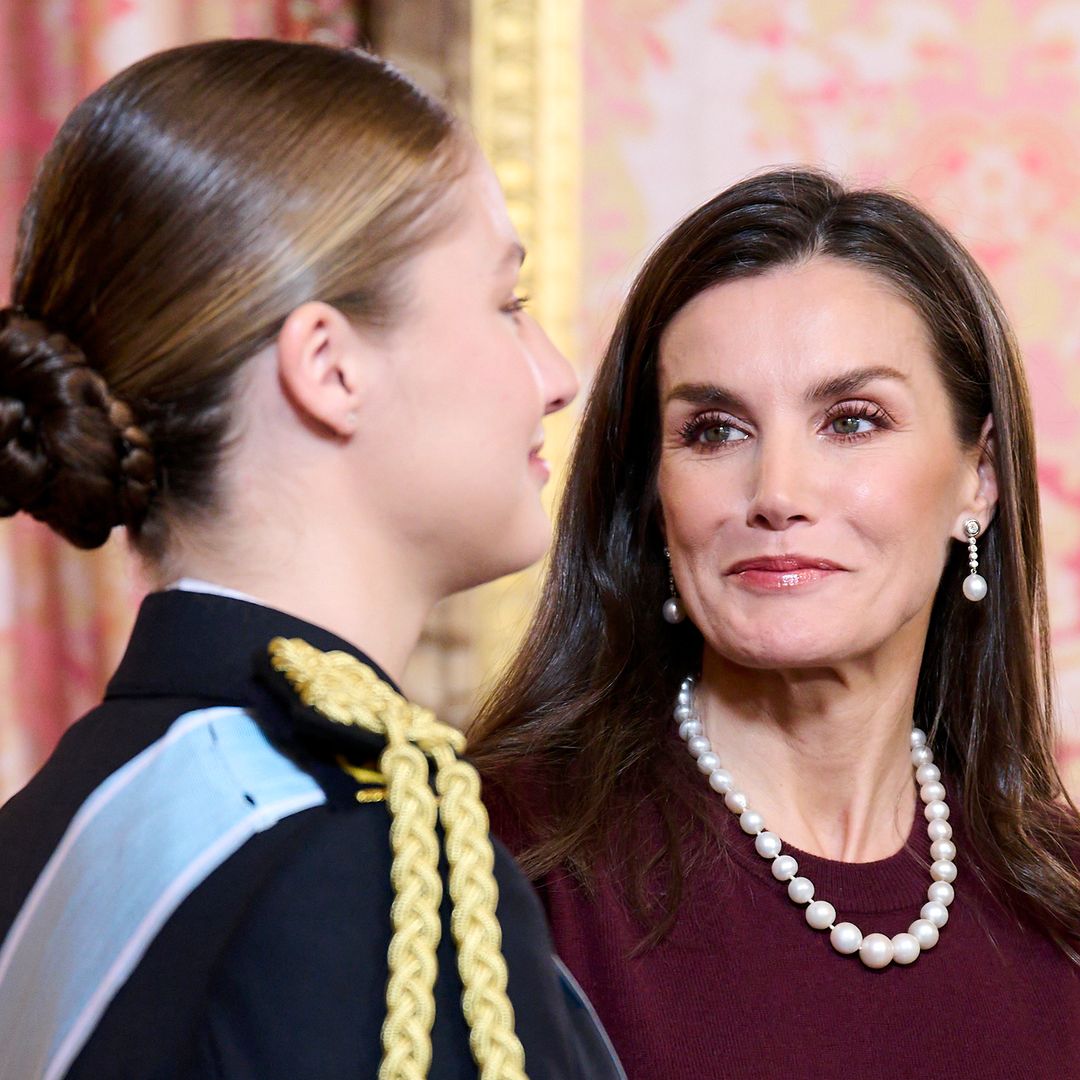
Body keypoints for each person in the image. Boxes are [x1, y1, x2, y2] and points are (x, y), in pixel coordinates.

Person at [0, 39, 624, 1080]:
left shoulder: (48, 825)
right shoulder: (361, 864)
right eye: (505, 304)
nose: (555, 376)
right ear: (330, 369)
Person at [469, 168, 1080, 1078]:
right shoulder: (499, 858)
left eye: (853, 420)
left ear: (978, 479)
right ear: (651, 495)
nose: (778, 494)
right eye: (714, 431)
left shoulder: (1060, 898)